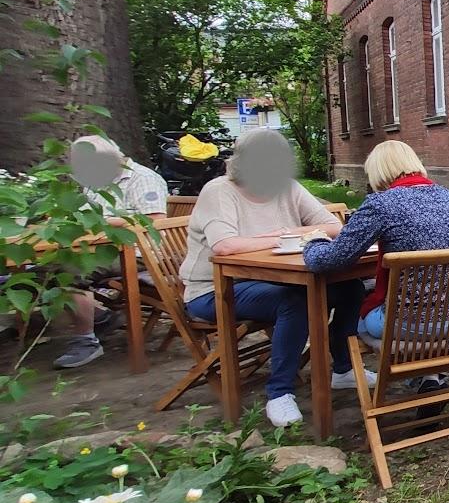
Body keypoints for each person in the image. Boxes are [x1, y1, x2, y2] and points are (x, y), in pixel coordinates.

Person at [180, 128, 373, 428]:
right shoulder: (219, 191)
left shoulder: (288, 187)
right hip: (214, 290)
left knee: (350, 287)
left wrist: (288, 234)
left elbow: (332, 226)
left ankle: (343, 370)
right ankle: (279, 393)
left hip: (279, 279)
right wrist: (281, 237)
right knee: (294, 302)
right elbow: (226, 245)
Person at [302, 140, 449, 405]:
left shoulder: (380, 205)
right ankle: (428, 377)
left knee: (356, 312)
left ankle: (347, 372)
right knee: (420, 298)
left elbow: (332, 260)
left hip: (413, 323)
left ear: (379, 171)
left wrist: (315, 241)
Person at [54, 135, 169, 369]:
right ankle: (100, 317)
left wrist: (102, 221)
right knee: (41, 270)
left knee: (68, 273)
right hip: (98, 248)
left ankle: (86, 341)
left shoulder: (142, 178)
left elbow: (154, 222)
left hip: (137, 252)